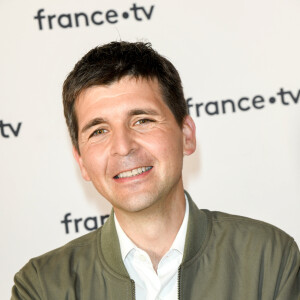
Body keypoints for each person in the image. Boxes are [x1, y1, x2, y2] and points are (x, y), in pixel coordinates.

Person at [11, 41, 300, 300]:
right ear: (82, 162)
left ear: (186, 134)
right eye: (99, 131)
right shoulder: (41, 287)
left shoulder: (269, 258)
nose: (123, 147)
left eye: (142, 121)